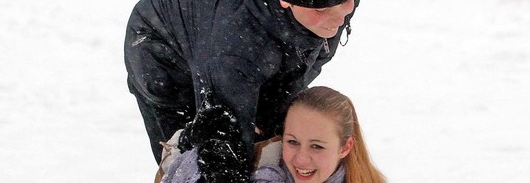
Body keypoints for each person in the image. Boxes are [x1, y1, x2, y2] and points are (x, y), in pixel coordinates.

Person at [125, 0, 362, 172]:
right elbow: (225, 147)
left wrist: (275, 107)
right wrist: (220, 150)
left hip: (241, 44)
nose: (339, 19)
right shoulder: (234, 43)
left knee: (273, 139)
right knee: (201, 158)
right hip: (162, 50)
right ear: (286, 2)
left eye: (345, 3)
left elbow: (314, 53)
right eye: (321, 9)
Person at [159, 86, 386, 183]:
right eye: (293, 142)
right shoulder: (262, 169)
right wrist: (193, 143)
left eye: (317, 146)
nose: (301, 159)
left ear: (345, 147)